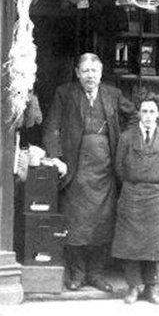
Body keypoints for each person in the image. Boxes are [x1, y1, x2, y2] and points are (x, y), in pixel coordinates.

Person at [44, 53, 134, 293]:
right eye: (85, 71)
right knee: (75, 225)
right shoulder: (65, 93)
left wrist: (125, 146)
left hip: (105, 172)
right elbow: (51, 127)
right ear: (77, 73)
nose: (90, 76)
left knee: (102, 225)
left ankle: (96, 274)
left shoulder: (113, 95)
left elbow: (135, 117)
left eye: (94, 71)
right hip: (75, 171)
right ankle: (77, 273)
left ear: (101, 72)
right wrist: (57, 158)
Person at [112, 95, 159, 304]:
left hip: (158, 197)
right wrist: (134, 183)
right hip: (131, 194)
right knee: (130, 242)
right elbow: (118, 167)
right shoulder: (126, 137)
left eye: (152, 111)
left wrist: (158, 186)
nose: (148, 116)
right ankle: (133, 287)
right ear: (139, 113)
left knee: (155, 242)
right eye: (144, 111)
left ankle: (152, 287)